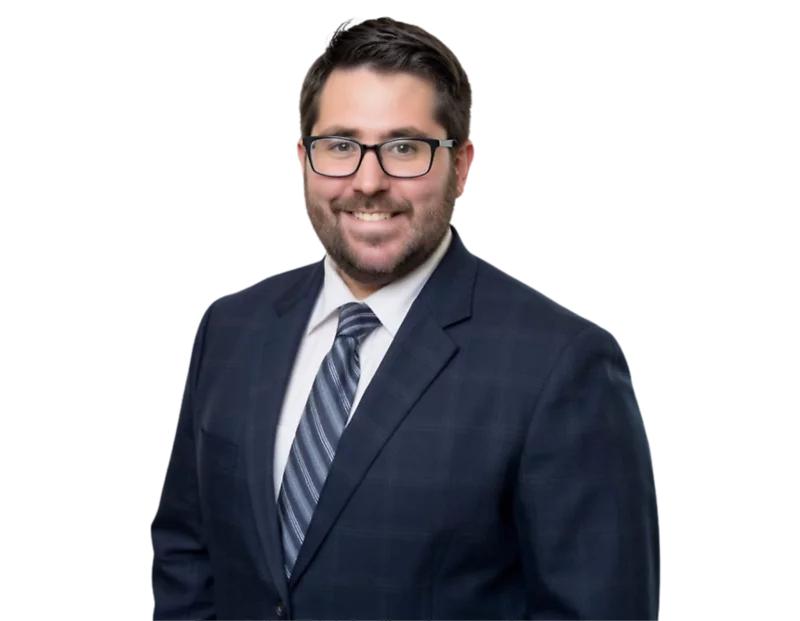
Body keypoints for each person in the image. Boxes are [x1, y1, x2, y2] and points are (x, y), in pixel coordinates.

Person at [150, 16, 662, 620]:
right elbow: (187, 554)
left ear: (462, 164)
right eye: (340, 145)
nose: (368, 182)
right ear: (302, 159)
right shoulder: (230, 328)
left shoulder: (563, 366)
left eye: (404, 148)